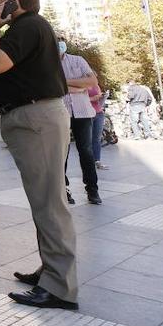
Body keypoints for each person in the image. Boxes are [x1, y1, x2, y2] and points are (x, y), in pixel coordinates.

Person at [0, 0, 78, 311]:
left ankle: (60, 288)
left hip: (36, 119)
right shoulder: (28, 27)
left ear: (15, 2)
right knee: (43, 201)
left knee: (49, 203)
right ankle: (50, 272)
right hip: (34, 119)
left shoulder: (28, 26)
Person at [59, 37, 101, 206]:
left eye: (60, 41)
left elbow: (92, 82)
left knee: (86, 151)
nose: (58, 45)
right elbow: (52, 86)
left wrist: (64, 82)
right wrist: (80, 86)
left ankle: (92, 189)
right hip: (61, 112)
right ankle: (64, 190)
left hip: (83, 112)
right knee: (62, 152)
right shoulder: (47, 63)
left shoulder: (78, 60)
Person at [91, 86, 109, 171]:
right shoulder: (81, 86)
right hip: (87, 114)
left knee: (97, 138)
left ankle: (97, 161)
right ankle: (89, 162)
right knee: (87, 140)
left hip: (99, 113)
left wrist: (103, 97)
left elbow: (100, 103)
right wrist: (92, 98)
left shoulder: (96, 86)